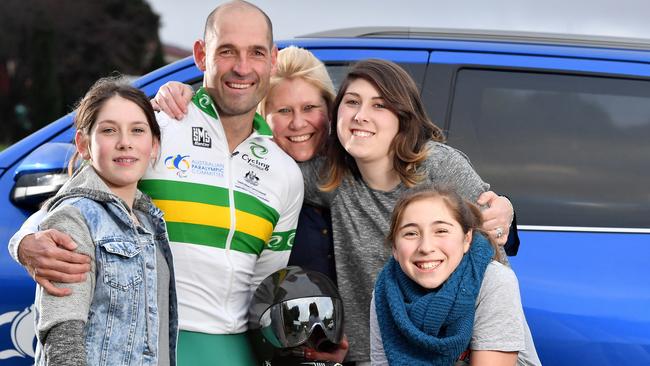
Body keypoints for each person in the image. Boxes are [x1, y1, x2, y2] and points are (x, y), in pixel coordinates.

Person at [8, 2, 304, 365]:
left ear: (272, 60)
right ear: (200, 55)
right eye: (226, 51)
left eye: (256, 53)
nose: (242, 67)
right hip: (145, 345)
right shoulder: (157, 127)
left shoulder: (285, 173)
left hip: (233, 351)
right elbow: (75, 201)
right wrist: (24, 242)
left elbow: (266, 289)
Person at [299, 59, 516, 364]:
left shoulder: (439, 167)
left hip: (469, 353)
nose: (361, 116)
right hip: (380, 353)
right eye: (352, 102)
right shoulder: (331, 179)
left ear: (403, 116)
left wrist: (505, 211)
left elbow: (492, 259)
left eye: (379, 105)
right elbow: (260, 172)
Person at [32, 76, 177, 365]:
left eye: (137, 130)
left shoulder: (150, 224)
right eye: (109, 130)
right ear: (83, 144)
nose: (125, 143)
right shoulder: (73, 218)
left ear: (155, 145)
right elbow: (63, 334)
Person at [370, 185, 540, 365]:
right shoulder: (386, 291)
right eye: (411, 233)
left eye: (441, 231)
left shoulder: (494, 281)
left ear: (467, 239)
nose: (426, 247)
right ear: (395, 248)